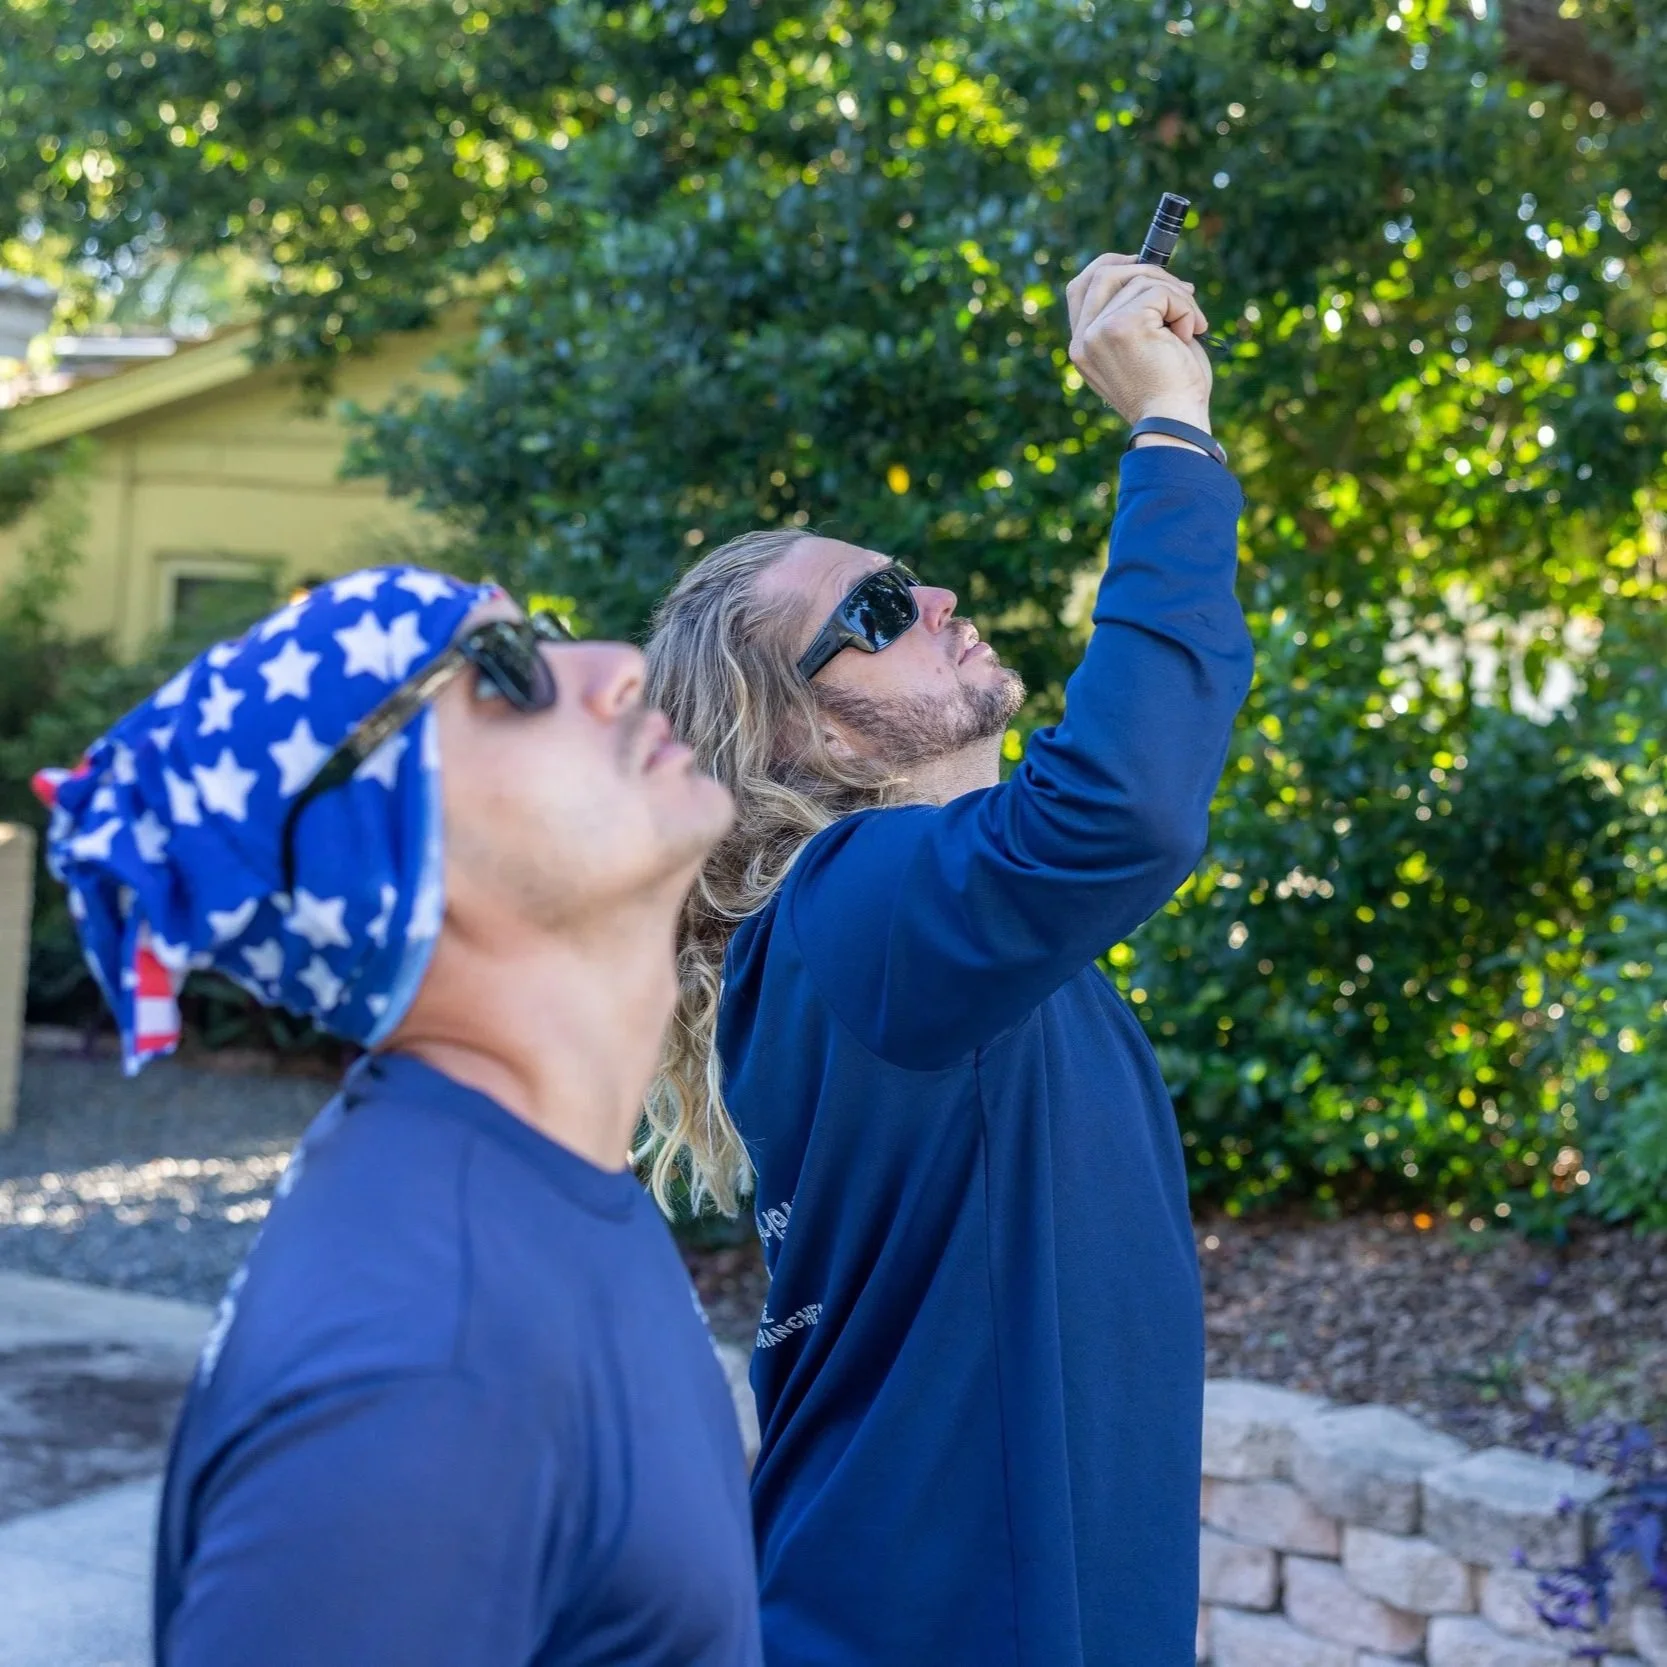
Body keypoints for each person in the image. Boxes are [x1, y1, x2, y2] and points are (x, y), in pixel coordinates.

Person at [639, 253, 1255, 1665]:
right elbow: (1124, 805)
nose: (933, 597)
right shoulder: (849, 903)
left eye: (902, 579)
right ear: (798, 737)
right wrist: (1167, 428)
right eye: (871, 613)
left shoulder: (898, 941)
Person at [33, 568, 763, 1667]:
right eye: (502, 675)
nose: (620, 668)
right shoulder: (419, 1370)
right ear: (373, 847)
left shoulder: (540, 1190)